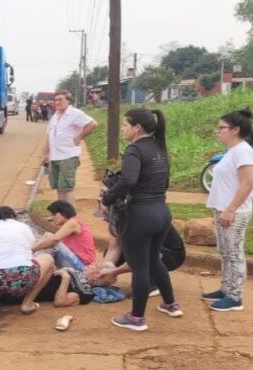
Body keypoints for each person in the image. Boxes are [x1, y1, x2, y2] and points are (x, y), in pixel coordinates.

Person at [102, 108, 181, 332]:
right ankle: (170, 304)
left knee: (139, 266)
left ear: (136, 128)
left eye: (125, 125)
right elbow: (164, 183)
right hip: (162, 212)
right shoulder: (159, 147)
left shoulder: (134, 149)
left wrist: (108, 197)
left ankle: (137, 318)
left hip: (140, 215)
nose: (123, 129)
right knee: (154, 260)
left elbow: (128, 180)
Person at [203, 108, 253, 312]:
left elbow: (248, 183)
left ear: (235, 130)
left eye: (222, 128)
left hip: (235, 212)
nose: (218, 131)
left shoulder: (243, 151)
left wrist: (231, 209)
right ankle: (226, 288)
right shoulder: (232, 151)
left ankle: (235, 297)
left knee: (234, 253)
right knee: (225, 252)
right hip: (223, 209)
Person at [42, 90, 98, 205]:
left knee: (67, 187)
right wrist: (45, 154)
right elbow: (49, 135)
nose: (57, 102)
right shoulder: (55, 115)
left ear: (68, 100)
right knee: (58, 186)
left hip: (68, 156)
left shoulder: (75, 113)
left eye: (60, 99)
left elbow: (93, 124)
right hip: (55, 156)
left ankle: (70, 216)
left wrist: (80, 136)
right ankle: (62, 213)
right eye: (56, 100)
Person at [96, 224, 186, 292]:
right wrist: (103, 272)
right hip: (150, 249)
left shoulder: (138, 219)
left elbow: (138, 256)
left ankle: (153, 281)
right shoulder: (115, 219)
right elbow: (113, 248)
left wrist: (113, 272)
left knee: (134, 252)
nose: (103, 218)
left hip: (172, 256)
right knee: (115, 257)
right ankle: (145, 275)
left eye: (105, 213)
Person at [32, 200, 96, 271]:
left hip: (82, 267)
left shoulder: (73, 223)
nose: (53, 218)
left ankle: (35, 265)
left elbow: (53, 240)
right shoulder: (73, 222)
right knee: (47, 237)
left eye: (54, 214)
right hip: (75, 262)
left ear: (64, 213)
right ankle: (37, 263)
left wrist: (31, 250)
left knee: (51, 240)